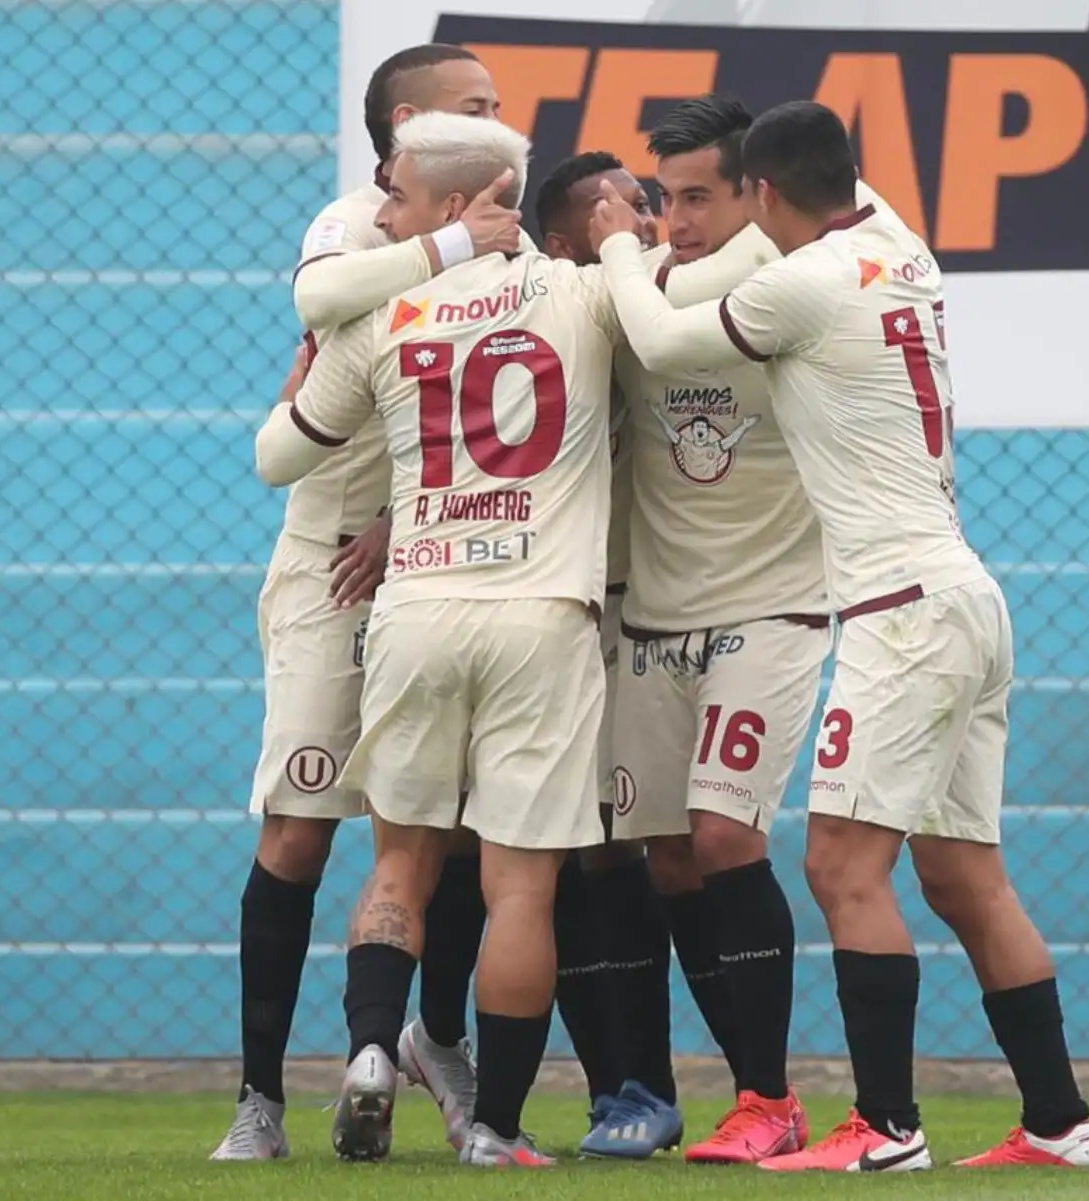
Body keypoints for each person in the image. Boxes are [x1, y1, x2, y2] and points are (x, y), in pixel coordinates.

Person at [590, 100, 1089, 1172]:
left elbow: (666, 334)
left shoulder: (804, 281)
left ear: (764, 195)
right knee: (968, 879)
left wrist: (614, 250)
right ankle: (1061, 1123)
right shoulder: (896, 243)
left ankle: (887, 1127)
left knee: (842, 865)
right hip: (965, 593)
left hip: (899, 611)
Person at [257, 111, 629, 1169]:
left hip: (415, 608)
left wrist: (295, 396)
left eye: (400, 196)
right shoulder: (586, 294)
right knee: (521, 886)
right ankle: (498, 1131)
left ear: (460, 206)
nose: (383, 214)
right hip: (543, 616)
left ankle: (373, 1050)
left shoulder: (387, 309)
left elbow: (280, 456)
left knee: (402, 863)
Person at [210, 42, 522, 1162]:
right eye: (475, 104)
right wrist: (452, 242)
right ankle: (258, 1098)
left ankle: (433, 1036)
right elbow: (321, 298)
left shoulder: (514, 248)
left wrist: (420, 511)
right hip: (331, 565)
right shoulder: (362, 225)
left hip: (449, 568)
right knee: (298, 830)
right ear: (405, 127)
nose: (501, 117)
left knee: (444, 822)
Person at [584, 96, 842, 1166]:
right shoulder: (641, 279)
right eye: (666, 198)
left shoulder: (759, 280)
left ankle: (767, 1093)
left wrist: (610, 248)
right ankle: (749, 1095)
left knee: (729, 833)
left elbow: (652, 309)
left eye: (703, 195)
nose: (680, 217)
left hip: (770, 605)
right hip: (653, 612)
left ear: (755, 195)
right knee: (670, 859)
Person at [531, 150, 686, 1159]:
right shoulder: (553, 303)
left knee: (642, 843)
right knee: (567, 848)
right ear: (583, 228)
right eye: (637, 203)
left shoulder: (655, 295)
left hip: (647, 604)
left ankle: (665, 1086)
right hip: (546, 605)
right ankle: (616, 1091)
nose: (657, 217)